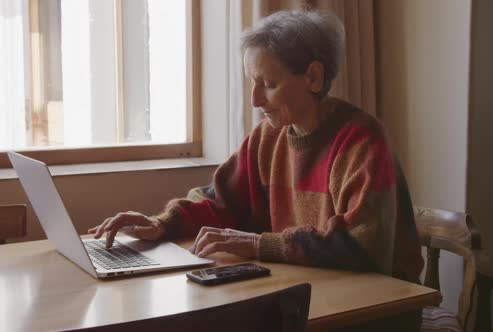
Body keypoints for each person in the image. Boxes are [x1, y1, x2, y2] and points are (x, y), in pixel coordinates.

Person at [89, 10, 423, 284]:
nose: (254, 99)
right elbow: (219, 200)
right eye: (253, 82)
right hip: (311, 288)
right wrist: (162, 223)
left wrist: (259, 244)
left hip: (380, 305)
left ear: (313, 78)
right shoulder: (268, 136)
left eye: (268, 84)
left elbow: (361, 246)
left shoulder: (361, 140)